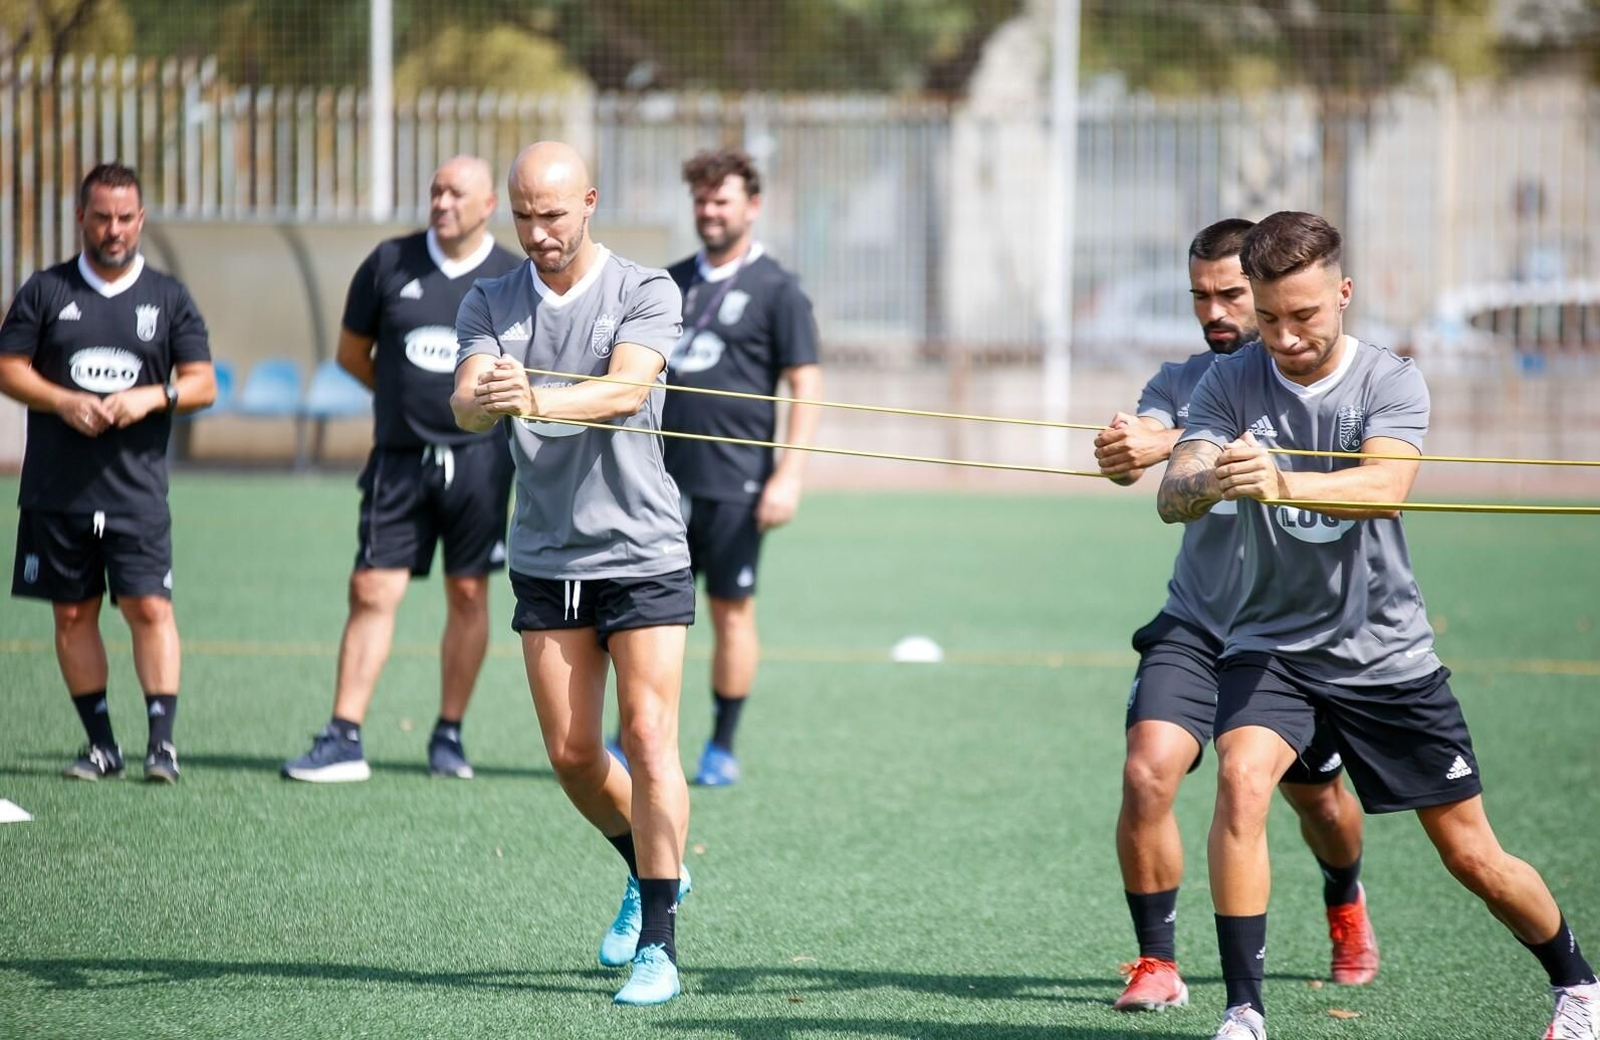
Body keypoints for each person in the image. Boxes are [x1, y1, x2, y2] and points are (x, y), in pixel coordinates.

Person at [1157, 210, 1598, 1040]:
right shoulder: (1229, 382)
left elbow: (1383, 487)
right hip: (1273, 645)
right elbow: (1170, 496)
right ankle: (1244, 1013)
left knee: (1473, 855)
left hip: (1385, 654)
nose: (1286, 337)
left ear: (1344, 294)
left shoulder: (1391, 379)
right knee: (1241, 780)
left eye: (1306, 315)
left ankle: (1578, 984)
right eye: (1272, 316)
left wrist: (1280, 482)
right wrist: (1212, 474)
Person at [1093, 218, 1376, 1014]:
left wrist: (1177, 443)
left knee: (1319, 802)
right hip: (1199, 621)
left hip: (1298, 634)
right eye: (1200, 296)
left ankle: (1345, 898)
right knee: (1147, 769)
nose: (1214, 311)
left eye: (1231, 295)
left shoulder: (1316, 376)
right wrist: (1128, 450)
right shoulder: (1182, 377)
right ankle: (1158, 962)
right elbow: (1147, 451)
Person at [450, 141, 694, 1007]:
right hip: (548, 556)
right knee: (573, 753)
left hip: (644, 552)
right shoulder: (489, 298)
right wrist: (486, 396)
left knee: (651, 736)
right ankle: (649, 865)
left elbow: (627, 390)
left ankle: (659, 942)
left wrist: (540, 399)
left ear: (588, 203)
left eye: (552, 214)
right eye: (523, 214)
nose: (537, 231)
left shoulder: (645, 289)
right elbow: (466, 402)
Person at [282, 156, 521, 783]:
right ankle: (343, 736)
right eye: (435, 191)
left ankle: (448, 736)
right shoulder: (388, 263)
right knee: (371, 589)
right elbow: (352, 355)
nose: (442, 203)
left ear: (489, 205)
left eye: (456, 193)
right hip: (398, 459)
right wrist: (398, 398)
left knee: (469, 591)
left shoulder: (511, 278)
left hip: (481, 464)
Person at [610, 148, 821, 787]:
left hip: (737, 485)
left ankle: (721, 746)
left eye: (722, 200)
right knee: (642, 612)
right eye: (701, 200)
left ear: (751, 206)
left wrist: (789, 474)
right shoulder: (667, 283)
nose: (709, 211)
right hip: (657, 483)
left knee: (730, 611)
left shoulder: (779, 290)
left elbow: (805, 385)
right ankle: (631, 740)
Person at [0, 162, 216, 784]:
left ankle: (162, 745)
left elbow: (202, 383)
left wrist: (152, 397)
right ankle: (100, 745)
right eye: (102, 218)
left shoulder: (169, 298)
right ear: (82, 219)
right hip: (56, 490)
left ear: (141, 220)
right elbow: (9, 366)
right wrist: (62, 400)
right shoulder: (46, 290)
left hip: (136, 492)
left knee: (149, 607)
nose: (114, 230)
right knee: (72, 614)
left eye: (125, 218)